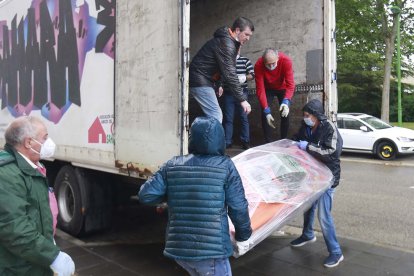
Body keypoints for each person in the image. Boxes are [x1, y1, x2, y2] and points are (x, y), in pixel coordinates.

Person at [139, 116, 252, 276]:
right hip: (211, 253)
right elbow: (238, 207)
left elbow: (146, 195)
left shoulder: (173, 164)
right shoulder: (225, 166)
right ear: (220, 139)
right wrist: (243, 235)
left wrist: (173, 195)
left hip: (179, 249)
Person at [0, 116, 75, 276]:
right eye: (45, 138)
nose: (49, 142)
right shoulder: (7, 175)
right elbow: (15, 228)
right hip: (18, 268)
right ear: (28, 142)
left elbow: (37, 212)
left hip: (33, 261)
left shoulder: (31, 166)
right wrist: (52, 256)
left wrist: (48, 241)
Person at [289, 99, 344, 268]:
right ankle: (307, 234)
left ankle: (336, 252)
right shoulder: (306, 127)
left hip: (328, 178)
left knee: (324, 216)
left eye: (308, 115)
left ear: (316, 115)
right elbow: (296, 139)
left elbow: (331, 152)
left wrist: (308, 148)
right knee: (308, 207)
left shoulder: (329, 129)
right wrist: (292, 144)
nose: (305, 118)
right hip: (312, 176)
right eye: (304, 115)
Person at [189, 17, 254, 123]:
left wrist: (219, 84)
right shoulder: (227, 44)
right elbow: (230, 72)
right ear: (237, 30)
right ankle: (204, 137)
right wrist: (242, 100)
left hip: (204, 79)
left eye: (250, 36)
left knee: (214, 114)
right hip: (200, 79)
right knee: (216, 114)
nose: (248, 38)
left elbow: (220, 67)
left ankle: (202, 134)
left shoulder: (228, 42)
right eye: (246, 34)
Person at [254, 48, 295, 142]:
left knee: (285, 113)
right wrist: (266, 110)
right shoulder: (258, 65)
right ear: (263, 62)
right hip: (268, 88)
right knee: (264, 114)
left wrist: (286, 100)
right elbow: (260, 89)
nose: (271, 66)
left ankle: (283, 140)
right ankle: (268, 142)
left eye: (273, 63)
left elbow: (291, 84)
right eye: (268, 64)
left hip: (283, 87)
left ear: (278, 58)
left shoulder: (286, 61)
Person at [222, 48, 254, 149]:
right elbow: (221, 76)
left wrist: (244, 77)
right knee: (228, 118)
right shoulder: (225, 61)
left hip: (242, 93)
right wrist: (220, 85)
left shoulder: (245, 61)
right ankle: (227, 141)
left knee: (243, 117)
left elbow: (252, 75)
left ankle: (245, 141)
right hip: (228, 93)